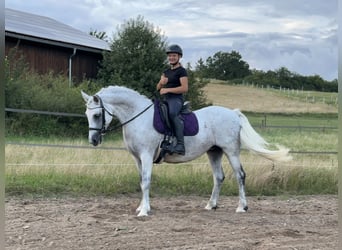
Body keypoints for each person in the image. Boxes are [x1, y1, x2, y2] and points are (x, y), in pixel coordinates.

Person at [156, 44, 188, 155]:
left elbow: (184, 88)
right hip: (166, 99)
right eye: (170, 56)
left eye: (174, 55)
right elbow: (158, 88)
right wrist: (161, 83)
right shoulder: (166, 72)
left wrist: (168, 90)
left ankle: (180, 145)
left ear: (179, 57)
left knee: (173, 113)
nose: (171, 58)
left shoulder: (182, 71)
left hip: (176, 99)